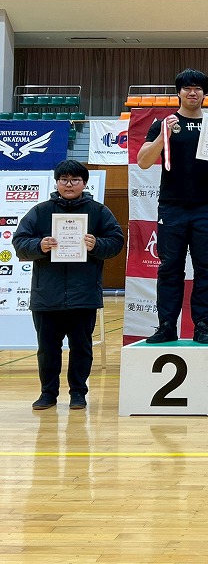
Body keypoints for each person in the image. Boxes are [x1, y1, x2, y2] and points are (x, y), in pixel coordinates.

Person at [138, 68, 208, 344]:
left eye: (198, 88)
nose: (193, 92)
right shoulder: (164, 123)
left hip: (206, 207)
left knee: (207, 268)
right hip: (172, 207)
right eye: (187, 88)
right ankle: (166, 325)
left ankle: (203, 326)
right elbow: (143, 161)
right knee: (169, 267)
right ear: (179, 92)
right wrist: (163, 136)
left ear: (205, 94)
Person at [13, 160, 124, 410]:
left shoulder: (98, 211)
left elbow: (116, 242)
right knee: (47, 350)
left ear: (84, 184)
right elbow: (19, 242)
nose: (69, 184)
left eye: (75, 180)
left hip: (83, 294)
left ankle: (78, 393)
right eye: (64, 180)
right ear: (57, 183)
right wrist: (39, 246)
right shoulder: (40, 211)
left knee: (81, 348)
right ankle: (48, 394)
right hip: (47, 295)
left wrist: (97, 245)